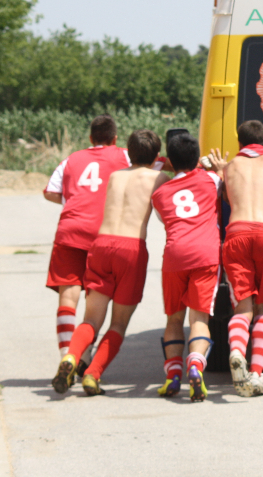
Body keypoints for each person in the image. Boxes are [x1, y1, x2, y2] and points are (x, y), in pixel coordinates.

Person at [52, 130, 165, 396]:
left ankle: (70, 357)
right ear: (157, 156)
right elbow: (166, 214)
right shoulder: (159, 178)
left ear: (129, 152)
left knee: (91, 319)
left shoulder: (115, 176)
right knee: (118, 324)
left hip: (101, 245)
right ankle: (93, 375)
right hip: (131, 248)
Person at [43, 115, 130, 371]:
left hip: (70, 231)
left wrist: (72, 199)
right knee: (96, 301)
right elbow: (154, 164)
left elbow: (50, 191)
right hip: (104, 233)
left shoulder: (71, 159)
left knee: (68, 297)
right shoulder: (124, 156)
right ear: (115, 138)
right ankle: (83, 354)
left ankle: (65, 355)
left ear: (91, 138)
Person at [151, 133, 222, 402]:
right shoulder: (211, 180)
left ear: (171, 160)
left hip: (175, 256)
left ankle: (172, 376)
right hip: (205, 254)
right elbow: (220, 177)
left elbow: (164, 220)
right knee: (199, 320)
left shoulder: (159, 194)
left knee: (174, 320)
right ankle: (195, 364)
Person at [218, 120, 263, 397]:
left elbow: (225, 197)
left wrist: (219, 169)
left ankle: (237, 351)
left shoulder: (230, 166)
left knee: (242, 307)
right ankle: (257, 373)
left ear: (239, 143)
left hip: (237, 232)